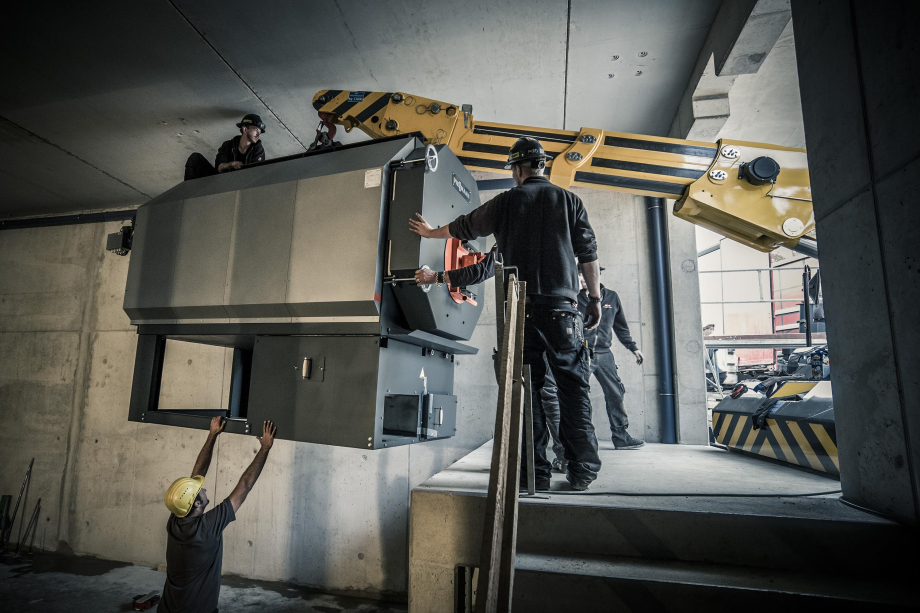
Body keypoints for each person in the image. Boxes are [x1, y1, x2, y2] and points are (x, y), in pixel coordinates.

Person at [409, 137, 604, 491]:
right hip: (564, 313)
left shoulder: (508, 203)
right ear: (541, 166)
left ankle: (536, 474)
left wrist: (430, 234)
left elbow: (463, 229)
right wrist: (594, 298)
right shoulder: (569, 201)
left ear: (516, 169)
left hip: (521, 314)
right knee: (574, 393)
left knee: (526, 395)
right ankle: (583, 472)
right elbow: (588, 253)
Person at [159, 417, 276, 612]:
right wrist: (265, 448)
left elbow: (197, 472)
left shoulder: (176, 519)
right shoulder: (207, 529)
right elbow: (244, 486)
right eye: (200, 491)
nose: (203, 489)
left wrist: (212, 435)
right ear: (196, 503)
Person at [577, 270, 646, 449]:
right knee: (579, 396)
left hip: (605, 354)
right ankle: (584, 440)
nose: (584, 278)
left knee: (616, 393)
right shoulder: (575, 298)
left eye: (587, 274)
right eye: (581, 275)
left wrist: (633, 347)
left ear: (597, 276)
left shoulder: (612, 297)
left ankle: (621, 437)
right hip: (582, 353)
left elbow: (621, 325)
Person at [184, 114, 267, 181]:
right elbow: (219, 168)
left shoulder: (258, 150)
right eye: (256, 130)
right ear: (245, 129)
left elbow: (255, 175)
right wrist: (231, 164)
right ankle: (187, 196)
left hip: (241, 185)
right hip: (220, 182)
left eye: (260, 131)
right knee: (195, 158)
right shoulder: (228, 145)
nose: (258, 135)